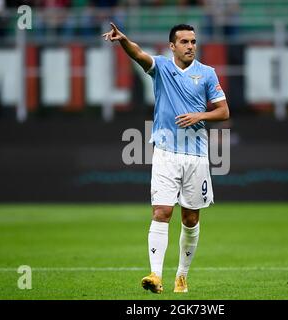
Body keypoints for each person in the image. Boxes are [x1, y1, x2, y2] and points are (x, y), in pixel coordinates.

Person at [102, 22, 229, 294]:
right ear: (172, 46)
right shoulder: (161, 68)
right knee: (162, 212)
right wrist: (124, 40)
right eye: (184, 42)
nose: (190, 46)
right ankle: (155, 275)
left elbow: (223, 111)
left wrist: (200, 116)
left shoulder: (207, 74)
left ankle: (181, 276)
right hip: (165, 153)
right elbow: (138, 55)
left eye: (193, 41)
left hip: (196, 156)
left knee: (191, 219)